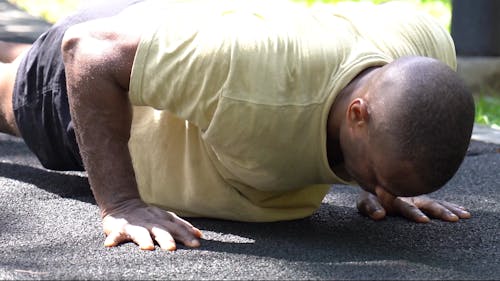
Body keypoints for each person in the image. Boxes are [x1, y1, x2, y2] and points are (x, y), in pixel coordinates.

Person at [0, 0, 474, 251]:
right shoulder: (256, 80)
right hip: (105, 70)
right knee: (12, 91)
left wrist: (390, 179)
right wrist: (121, 203)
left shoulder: (426, 47)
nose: (378, 189)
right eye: (374, 175)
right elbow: (88, 50)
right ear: (357, 114)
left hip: (182, 37)